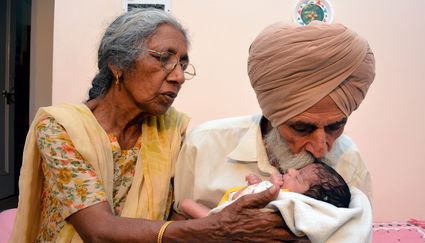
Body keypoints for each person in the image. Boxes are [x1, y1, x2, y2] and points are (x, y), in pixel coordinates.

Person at [10, 9, 296, 243]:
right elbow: (97, 230)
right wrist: (216, 229)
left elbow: (178, 211)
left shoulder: (173, 130)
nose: (179, 77)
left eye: (183, 64)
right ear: (117, 64)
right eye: (164, 59)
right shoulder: (61, 128)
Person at [174, 21, 376, 242]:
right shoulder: (204, 144)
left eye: (335, 126)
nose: (320, 149)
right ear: (273, 115)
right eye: (301, 128)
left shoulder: (349, 159)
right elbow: (178, 223)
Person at [180, 161, 351, 219]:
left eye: (298, 177)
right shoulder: (278, 192)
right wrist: (253, 184)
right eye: (298, 170)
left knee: (187, 205)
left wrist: (274, 185)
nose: (291, 171)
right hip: (226, 207)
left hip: (220, 218)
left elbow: (264, 201)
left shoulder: (287, 202)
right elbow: (254, 195)